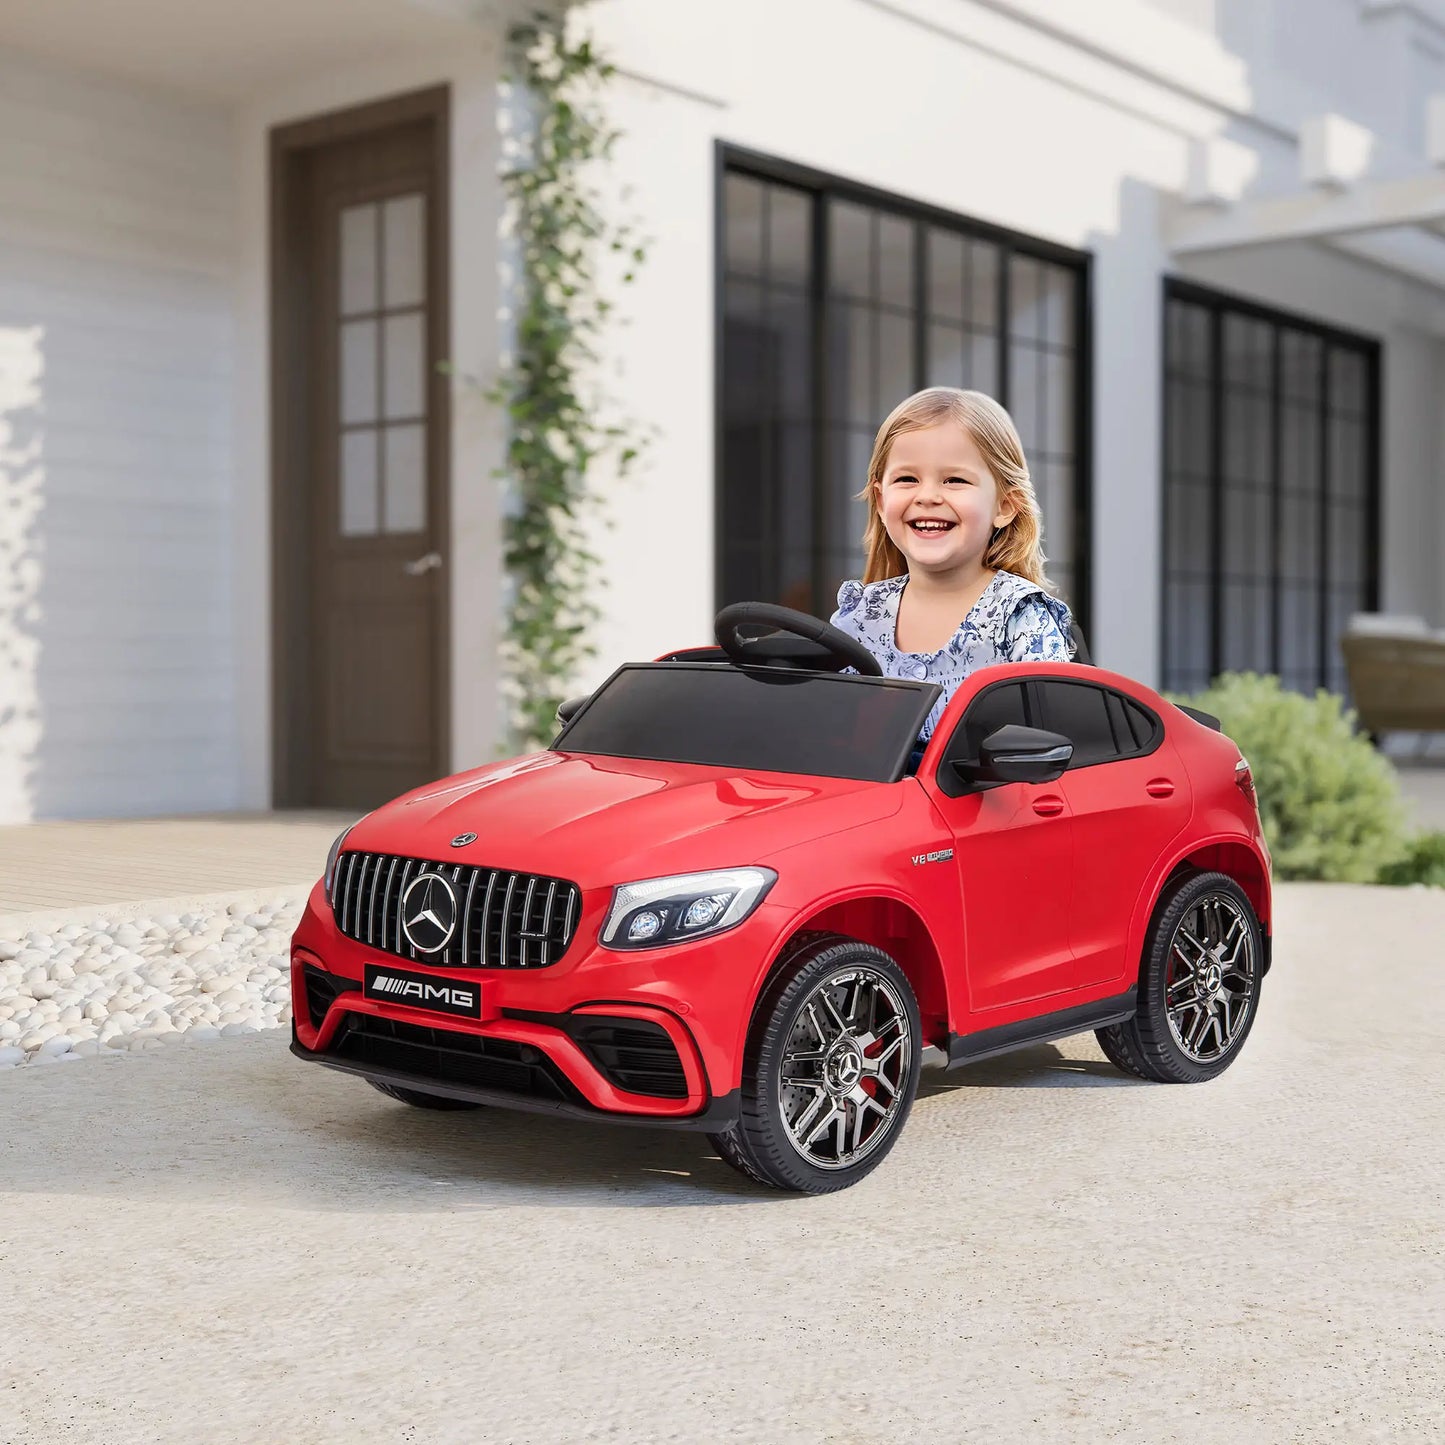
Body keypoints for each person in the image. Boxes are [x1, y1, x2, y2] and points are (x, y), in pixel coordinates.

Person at [829, 386, 1076, 769]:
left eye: (954, 481)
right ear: (880, 502)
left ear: (1005, 506)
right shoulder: (861, 613)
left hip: (985, 815)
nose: (928, 496)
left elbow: (1052, 741)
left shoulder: (1020, 616)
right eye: (907, 479)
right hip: (873, 815)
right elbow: (828, 727)